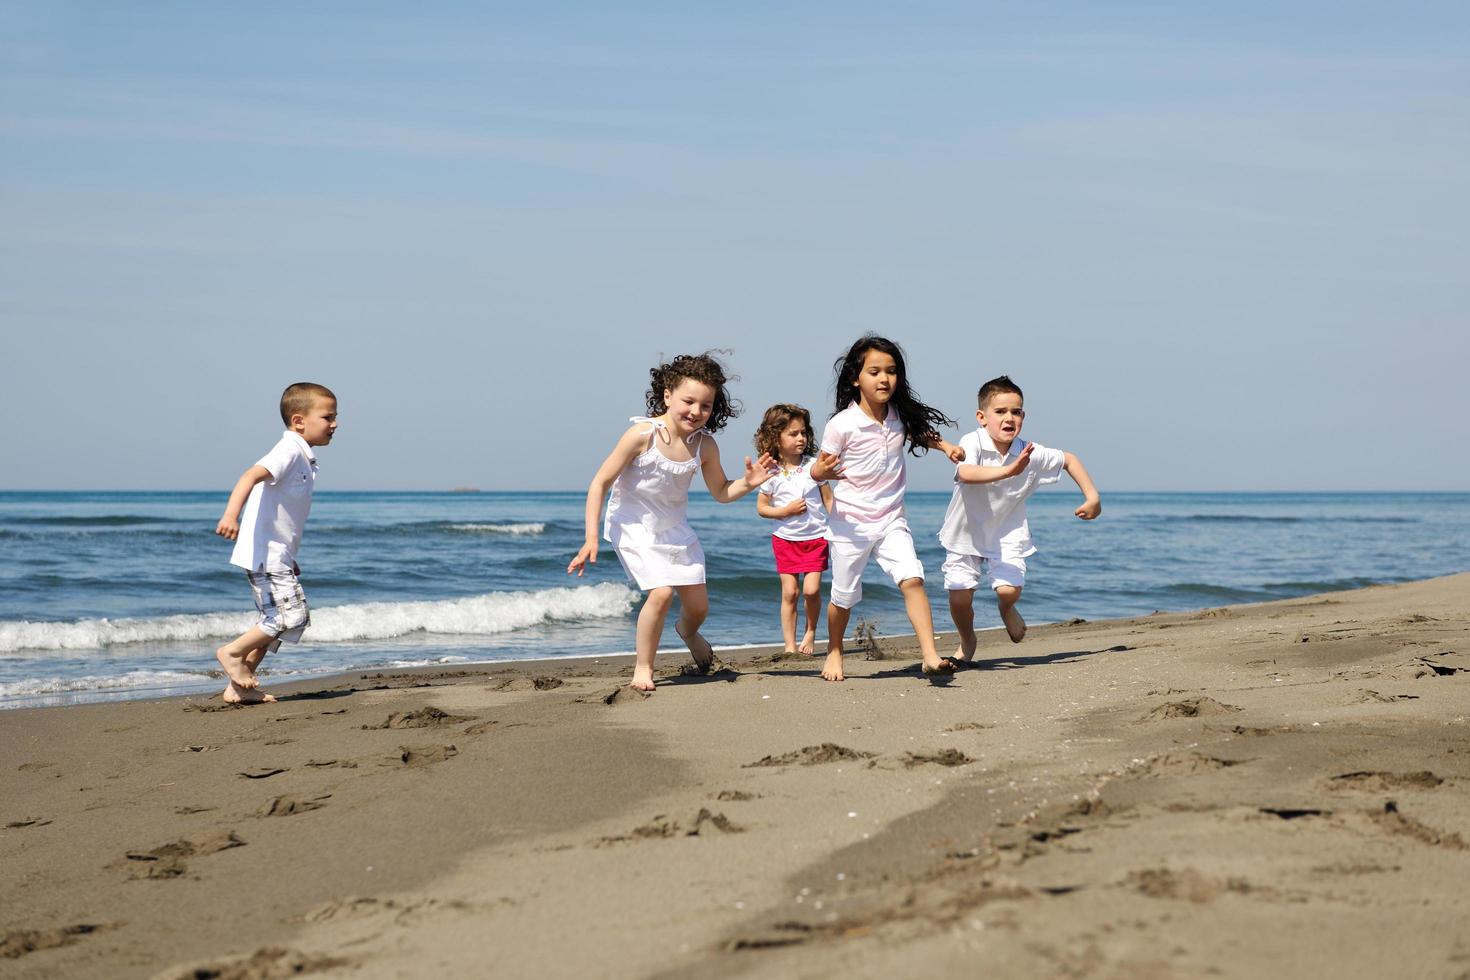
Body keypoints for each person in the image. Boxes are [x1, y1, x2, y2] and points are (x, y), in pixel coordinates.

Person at [568, 353, 775, 692]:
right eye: (688, 401)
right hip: (634, 527)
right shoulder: (642, 435)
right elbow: (600, 483)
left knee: (698, 608)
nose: (696, 411)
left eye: (705, 405)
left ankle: (688, 633)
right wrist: (591, 538)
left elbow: (721, 491)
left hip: (675, 531)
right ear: (667, 396)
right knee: (662, 592)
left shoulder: (704, 445)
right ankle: (643, 668)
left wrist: (749, 484)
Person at [809, 335, 961, 682]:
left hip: (891, 519)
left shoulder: (898, 416)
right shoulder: (842, 424)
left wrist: (947, 447)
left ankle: (930, 656)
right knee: (843, 598)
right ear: (855, 378)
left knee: (913, 579)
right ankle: (834, 650)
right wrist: (823, 474)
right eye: (874, 371)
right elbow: (817, 468)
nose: (884, 379)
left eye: (891, 372)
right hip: (850, 524)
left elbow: (920, 433)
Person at [939, 375, 1101, 665]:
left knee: (1008, 590)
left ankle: (1006, 609)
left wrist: (1092, 497)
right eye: (1000, 412)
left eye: (1016, 412)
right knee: (960, 597)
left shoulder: (1030, 451)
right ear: (982, 417)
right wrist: (1009, 471)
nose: (1009, 418)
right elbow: (966, 473)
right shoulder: (972, 442)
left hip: (1007, 532)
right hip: (966, 532)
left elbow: (1069, 460)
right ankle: (967, 640)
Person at [213, 383, 338, 704]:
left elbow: (282, 514)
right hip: (264, 555)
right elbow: (248, 476)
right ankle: (232, 653)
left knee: (282, 623)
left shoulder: (304, 457)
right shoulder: (288, 451)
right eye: (328, 417)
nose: (334, 424)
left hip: (277, 555)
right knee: (289, 617)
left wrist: (289, 553)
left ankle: (238, 689)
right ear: (299, 421)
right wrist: (230, 516)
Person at [753, 404, 834, 656]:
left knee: (811, 591)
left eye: (803, 433)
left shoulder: (814, 466)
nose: (801, 438)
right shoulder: (771, 472)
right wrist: (785, 511)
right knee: (790, 592)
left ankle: (810, 632)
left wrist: (842, 526)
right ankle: (789, 645)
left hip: (816, 537)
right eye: (793, 434)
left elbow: (829, 500)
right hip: (785, 540)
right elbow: (762, 508)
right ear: (775, 437)